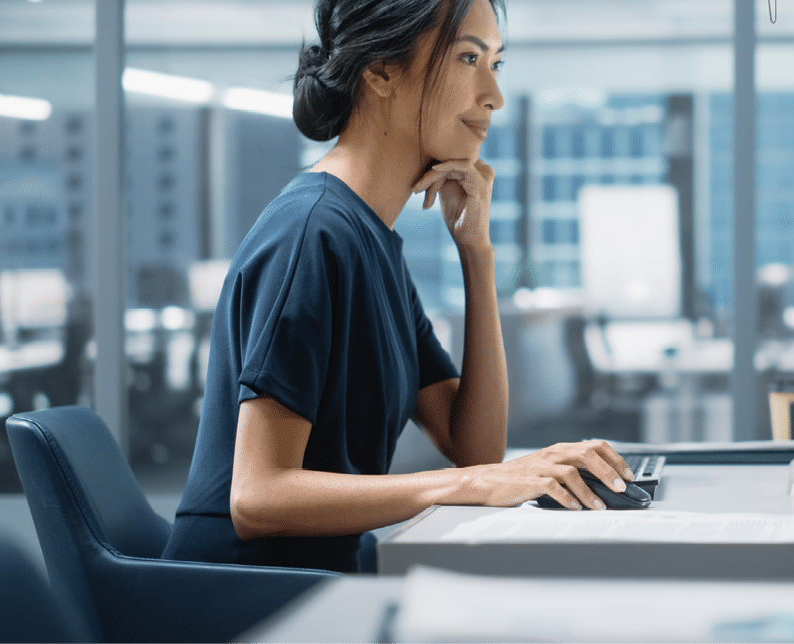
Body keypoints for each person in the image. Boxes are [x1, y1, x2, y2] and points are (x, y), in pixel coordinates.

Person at [163, 0, 635, 574]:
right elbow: (257, 496)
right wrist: (472, 485)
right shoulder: (311, 234)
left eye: (496, 64)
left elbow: (474, 448)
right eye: (468, 59)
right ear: (382, 71)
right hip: (245, 593)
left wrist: (476, 254)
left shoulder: (371, 240)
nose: (494, 96)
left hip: (324, 577)